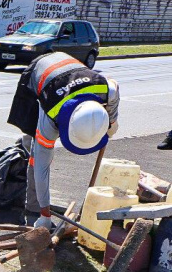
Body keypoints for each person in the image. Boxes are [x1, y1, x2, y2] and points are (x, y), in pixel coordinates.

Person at [7, 51, 119, 228]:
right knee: (35, 155)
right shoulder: (51, 115)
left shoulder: (105, 89)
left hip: (68, 70)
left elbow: (115, 88)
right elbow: (41, 167)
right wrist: (45, 213)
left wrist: (112, 120)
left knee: (39, 150)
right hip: (38, 72)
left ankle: (37, 203)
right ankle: (33, 210)